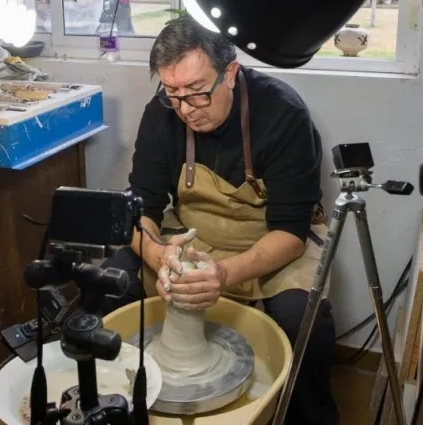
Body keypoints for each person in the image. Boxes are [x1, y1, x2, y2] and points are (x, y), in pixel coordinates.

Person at [101, 14, 339, 425]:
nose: (185, 110)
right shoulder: (163, 113)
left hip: (270, 240)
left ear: (229, 73)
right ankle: (115, 404)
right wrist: (157, 255)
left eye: (196, 93)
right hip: (193, 235)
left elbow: (291, 233)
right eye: (172, 93)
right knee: (113, 277)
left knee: (302, 317)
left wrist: (223, 274)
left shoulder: (282, 113)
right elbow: (140, 209)